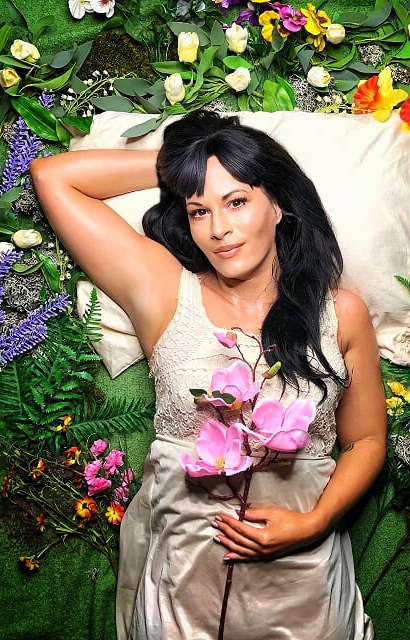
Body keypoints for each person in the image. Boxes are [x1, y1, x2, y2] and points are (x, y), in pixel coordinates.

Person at [31, 111, 385, 639]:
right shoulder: (164, 291)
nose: (219, 229)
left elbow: (365, 441)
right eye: (199, 211)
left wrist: (314, 523)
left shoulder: (340, 313)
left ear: (279, 202)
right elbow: (52, 176)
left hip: (302, 577)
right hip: (182, 579)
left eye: (236, 201)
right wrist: (187, 163)